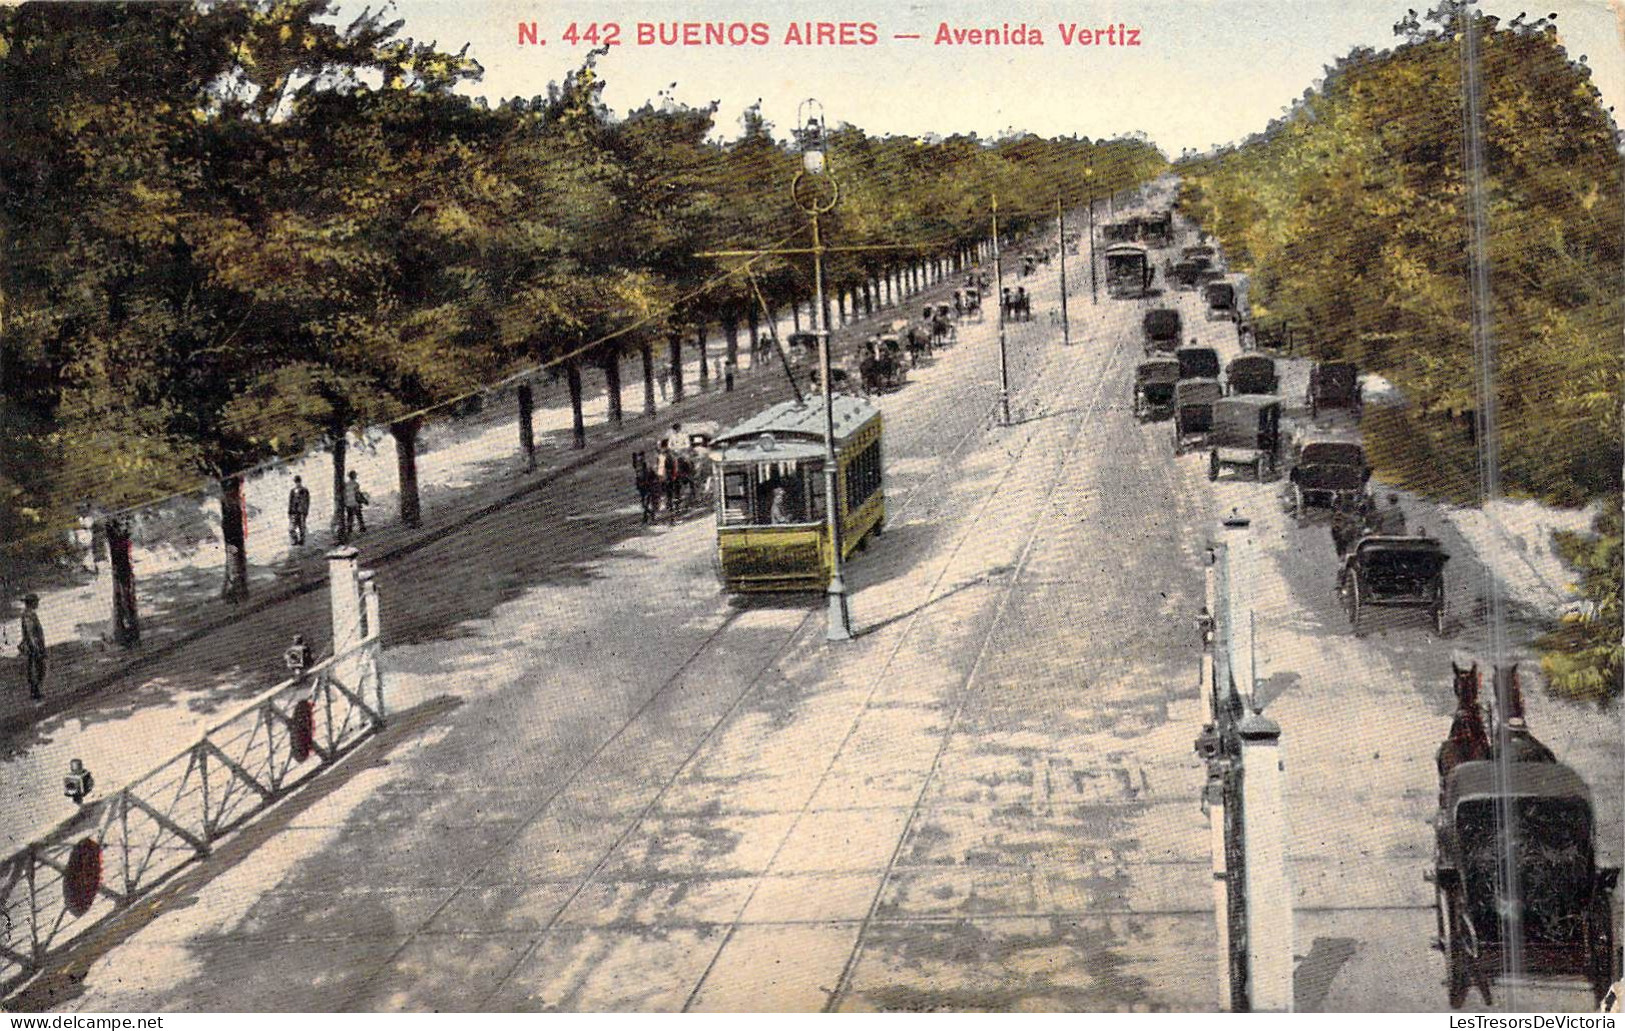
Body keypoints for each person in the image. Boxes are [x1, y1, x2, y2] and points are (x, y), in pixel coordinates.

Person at [18, 593, 46, 705]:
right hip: (33, 646)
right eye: (36, 601)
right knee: (38, 668)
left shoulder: (29, 614)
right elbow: (29, 633)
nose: (38, 603)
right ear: (32, 603)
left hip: (34, 645)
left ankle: (35, 691)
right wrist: (36, 647)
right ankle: (35, 692)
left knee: (36, 668)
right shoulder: (28, 615)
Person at [288, 475, 312, 545]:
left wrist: (305, 512)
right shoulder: (292, 491)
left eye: (298, 482)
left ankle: (302, 541)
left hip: (301, 512)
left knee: (302, 528)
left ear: (300, 482)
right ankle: (294, 540)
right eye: (296, 482)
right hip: (294, 512)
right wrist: (289, 512)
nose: (297, 484)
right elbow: (290, 502)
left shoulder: (304, 490)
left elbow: (307, 501)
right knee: (291, 529)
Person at [343, 470, 368, 536]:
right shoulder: (356, 484)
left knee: (350, 516)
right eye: (355, 475)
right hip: (355, 503)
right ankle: (362, 528)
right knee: (359, 515)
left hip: (348, 503)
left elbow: (345, 494)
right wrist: (364, 500)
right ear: (354, 476)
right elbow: (357, 494)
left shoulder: (346, 484)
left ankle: (349, 530)